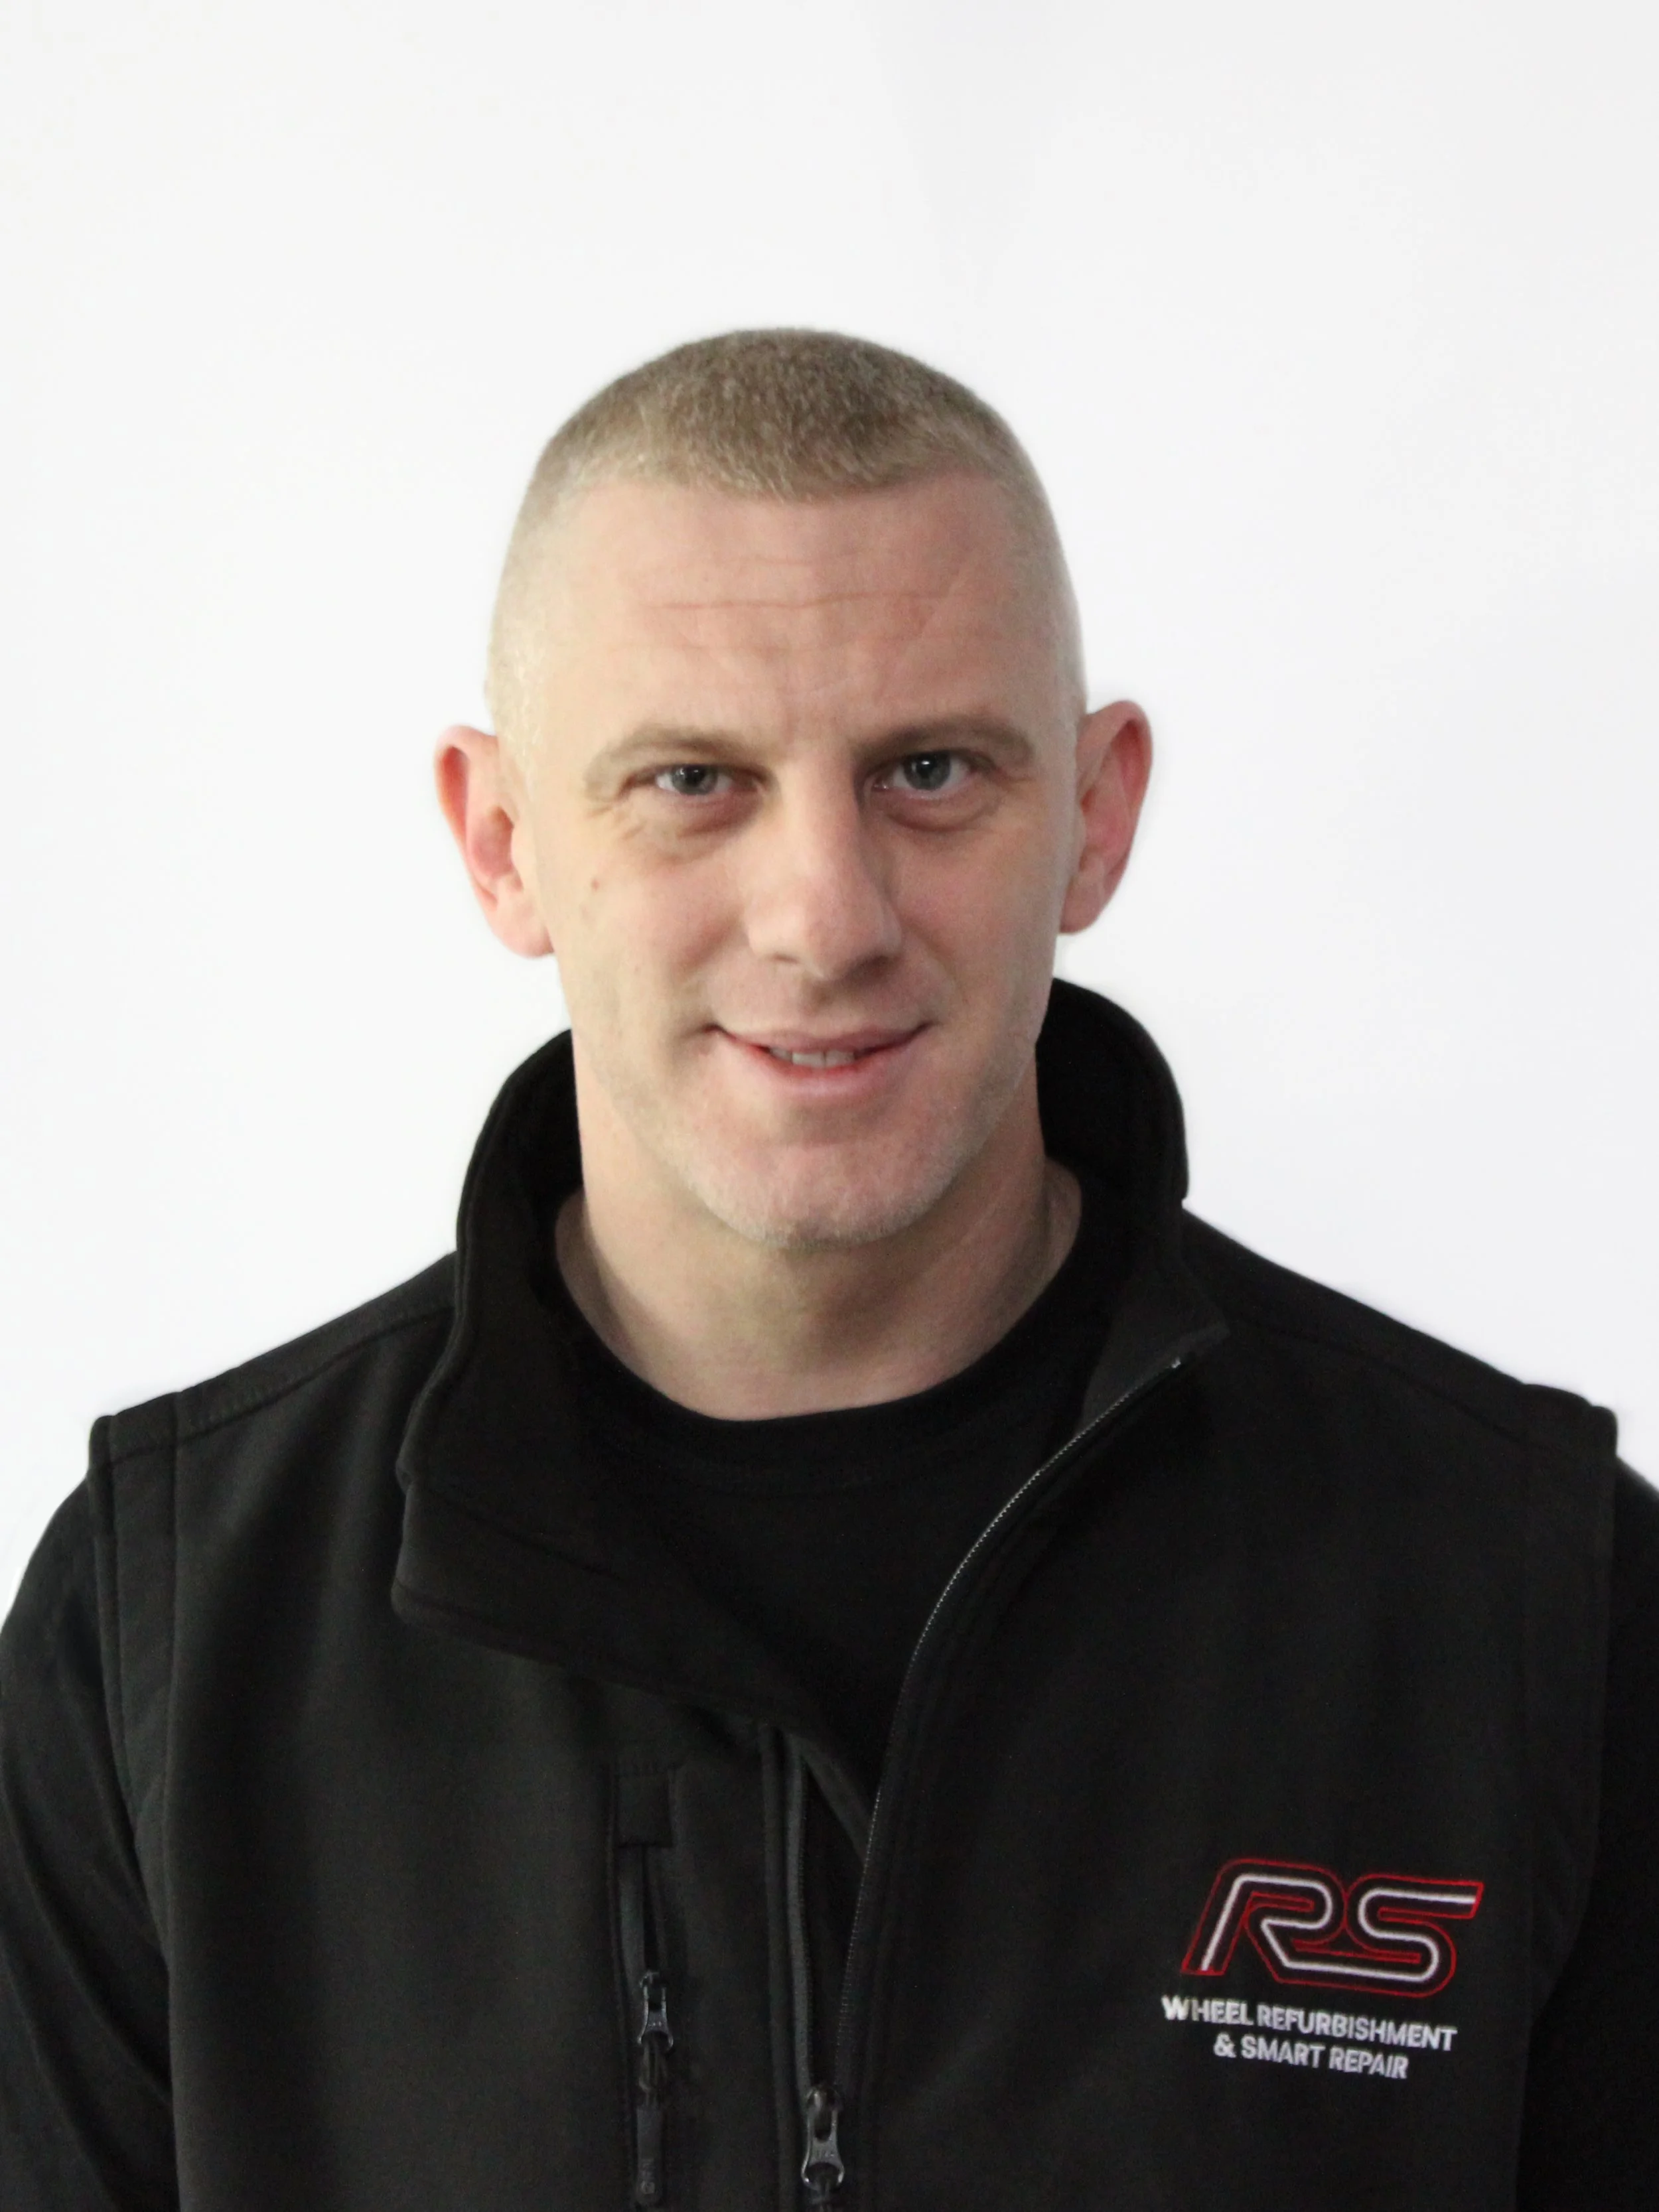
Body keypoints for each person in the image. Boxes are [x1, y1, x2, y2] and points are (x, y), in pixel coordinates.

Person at [1, 329, 1653, 2212]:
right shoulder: (165, 1638)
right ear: (503, 840)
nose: (827, 918)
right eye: (693, 779)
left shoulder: (1531, 1603)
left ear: (1095, 812)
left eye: (929, 771)